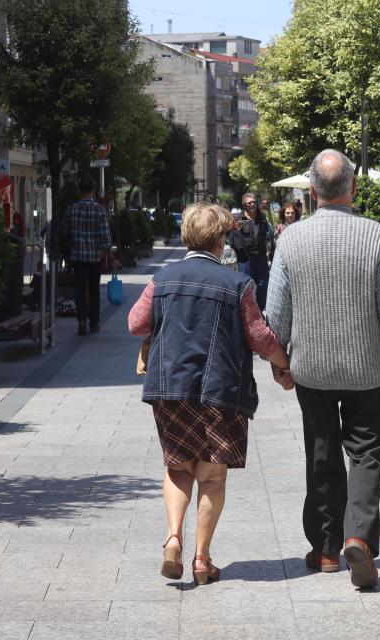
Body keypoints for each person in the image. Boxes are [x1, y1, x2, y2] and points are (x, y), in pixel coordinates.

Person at [266, 149, 380, 589]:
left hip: (311, 368)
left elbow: (274, 315)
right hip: (366, 370)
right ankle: (359, 537)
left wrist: (281, 362)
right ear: (352, 189)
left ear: (312, 192)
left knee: (321, 452)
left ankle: (325, 550)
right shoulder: (375, 236)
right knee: (366, 451)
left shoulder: (290, 240)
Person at [128, 202, 290, 585]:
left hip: (170, 388)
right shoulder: (238, 284)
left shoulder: (163, 278)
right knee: (212, 477)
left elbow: (136, 323)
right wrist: (284, 364)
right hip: (221, 390)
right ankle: (202, 559)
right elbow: (259, 338)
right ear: (221, 239)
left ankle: (172, 539)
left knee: (177, 467)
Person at [60, 175, 114, 335]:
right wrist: (110, 256)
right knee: (94, 289)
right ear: (93, 191)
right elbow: (105, 237)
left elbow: (64, 231)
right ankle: (94, 322)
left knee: (79, 289)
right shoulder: (99, 210)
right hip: (94, 257)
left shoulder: (72, 209)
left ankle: (82, 320)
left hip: (77, 256)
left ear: (80, 190)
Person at [229, 192, 272, 309]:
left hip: (261, 259)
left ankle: (260, 314)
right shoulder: (236, 219)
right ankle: (248, 316)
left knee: (263, 287)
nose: (253, 204)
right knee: (247, 288)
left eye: (254, 202)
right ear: (244, 205)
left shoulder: (262, 217)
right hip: (245, 260)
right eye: (249, 203)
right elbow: (227, 234)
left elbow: (268, 234)